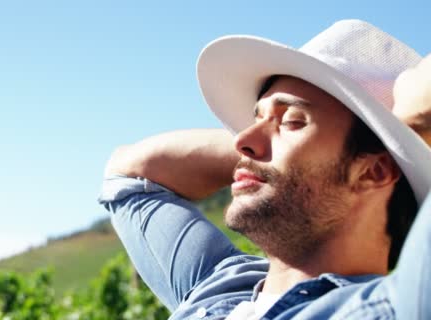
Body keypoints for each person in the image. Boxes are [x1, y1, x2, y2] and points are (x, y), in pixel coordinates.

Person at [99, 20, 431, 319]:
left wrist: (409, 128)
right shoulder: (217, 288)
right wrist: (276, 156)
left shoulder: (392, 308)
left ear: (373, 172)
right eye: (257, 118)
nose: (241, 140)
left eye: (292, 121)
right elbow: (129, 173)